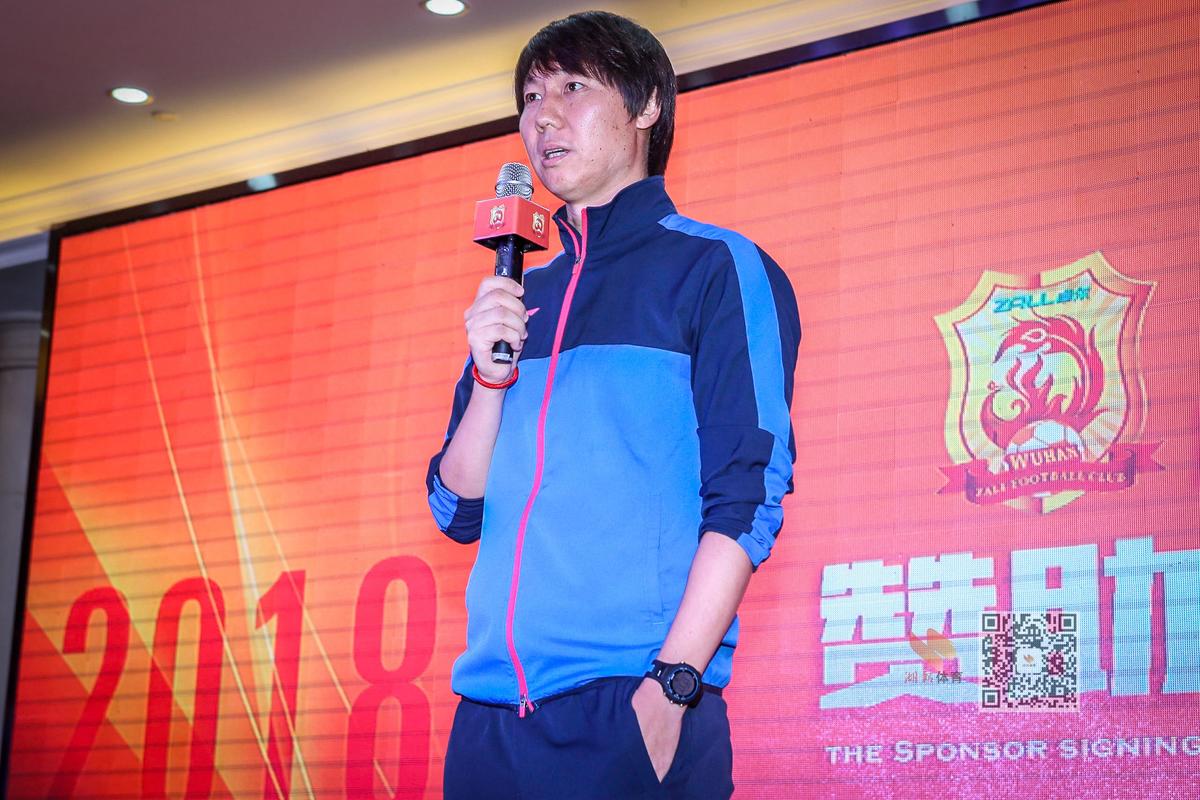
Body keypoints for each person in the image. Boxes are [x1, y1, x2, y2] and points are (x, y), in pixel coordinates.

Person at [426, 10, 800, 799]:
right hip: (488, 718)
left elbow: (749, 493)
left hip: (632, 702)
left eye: (572, 87)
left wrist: (672, 685)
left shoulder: (714, 267)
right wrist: (489, 381)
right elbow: (455, 508)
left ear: (647, 106)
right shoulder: (517, 297)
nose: (542, 117)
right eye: (530, 97)